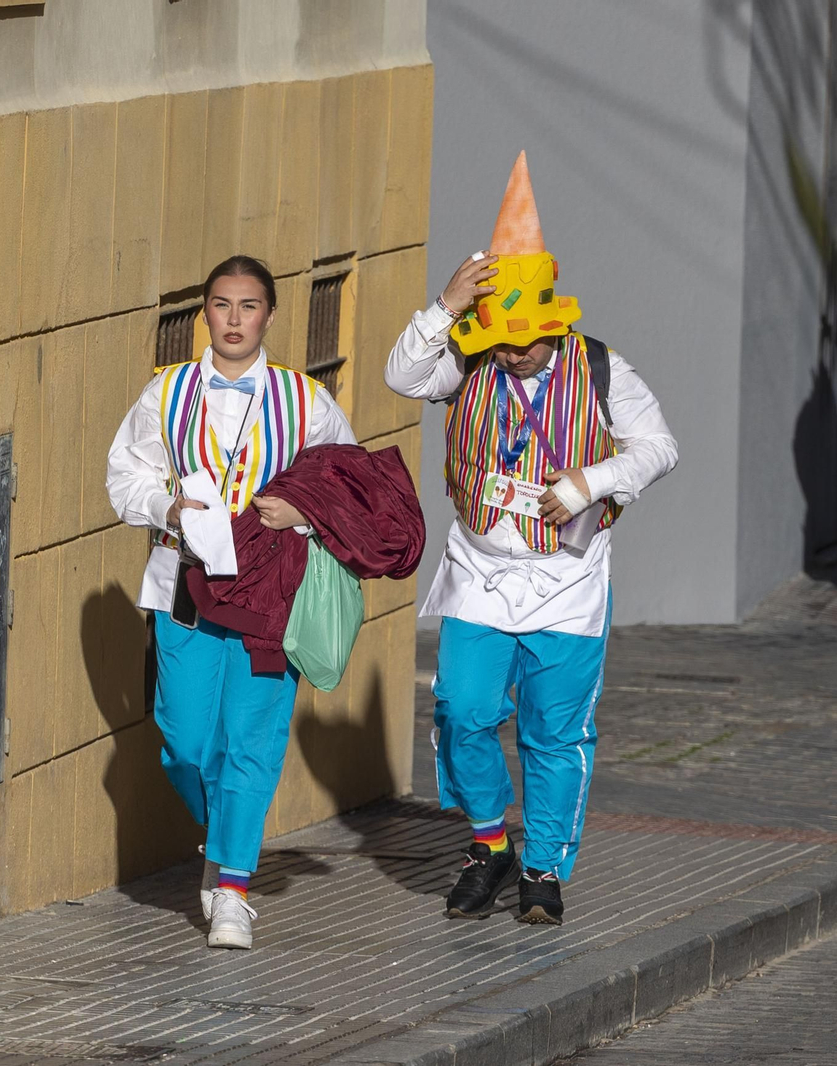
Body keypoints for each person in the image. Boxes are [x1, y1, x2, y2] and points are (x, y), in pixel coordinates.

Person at [383, 152, 678, 925]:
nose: (511, 352)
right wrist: (444, 308)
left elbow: (658, 448)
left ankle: (543, 868)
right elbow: (403, 377)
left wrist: (589, 483)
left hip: (568, 578)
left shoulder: (606, 369)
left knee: (555, 733)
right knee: (461, 710)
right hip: (482, 570)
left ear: (552, 325)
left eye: (523, 340)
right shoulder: (468, 356)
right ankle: (490, 842)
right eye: (499, 338)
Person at [106, 255, 357, 949]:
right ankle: (224, 839)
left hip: (271, 595)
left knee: (252, 740)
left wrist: (297, 514)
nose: (236, 319)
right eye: (222, 305)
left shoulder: (307, 401)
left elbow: (346, 483)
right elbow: (123, 471)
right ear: (205, 314)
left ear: (269, 314)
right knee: (185, 741)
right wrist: (165, 504)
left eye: (249, 306)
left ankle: (233, 891)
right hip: (184, 587)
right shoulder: (168, 392)